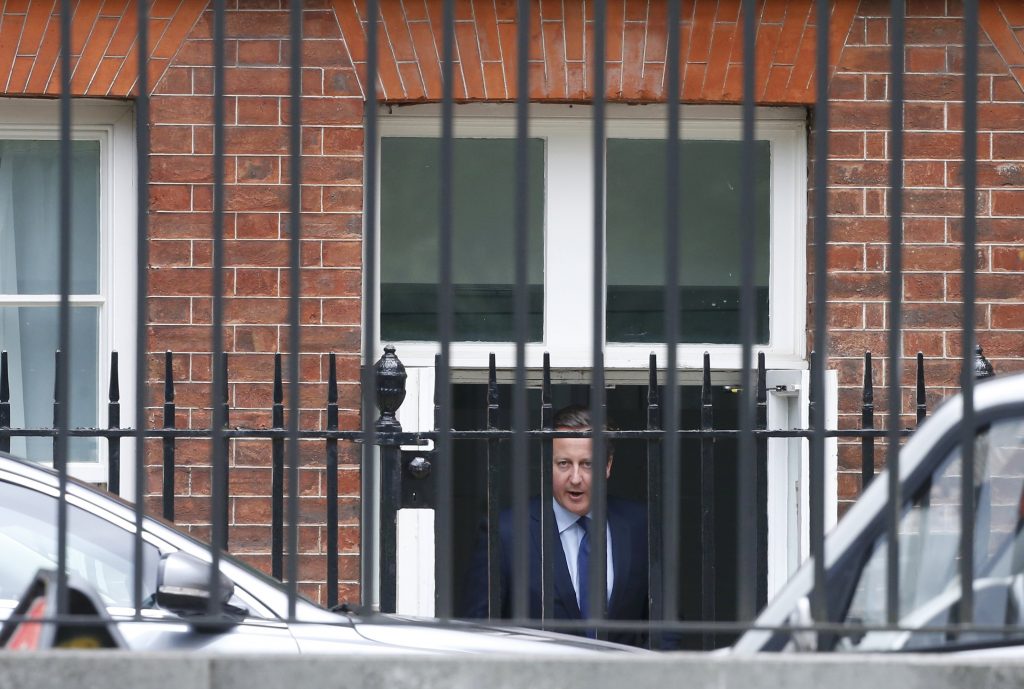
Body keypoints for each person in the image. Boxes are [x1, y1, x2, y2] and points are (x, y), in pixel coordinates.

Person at [461, 405, 649, 647]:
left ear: (607, 466)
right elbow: (477, 632)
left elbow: (665, 627)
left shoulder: (639, 526)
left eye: (587, 464)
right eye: (563, 463)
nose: (575, 478)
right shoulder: (505, 533)